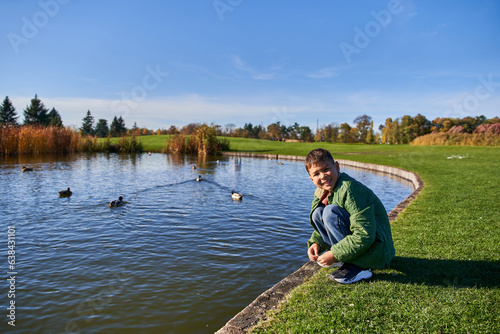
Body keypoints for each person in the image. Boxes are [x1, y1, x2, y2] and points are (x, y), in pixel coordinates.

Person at [305, 148, 395, 284]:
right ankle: (345, 258)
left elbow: (364, 234)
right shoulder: (321, 191)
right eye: (316, 174)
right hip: (360, 246)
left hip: (377, 251)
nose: (323, 176)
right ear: (311, 179)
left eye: (326, 169)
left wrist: (334, 253)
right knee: (318, 213)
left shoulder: (351, 190)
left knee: (330, 212)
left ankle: (360, 266)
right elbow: (321, 222)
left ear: (336, 167)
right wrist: (316, 242)